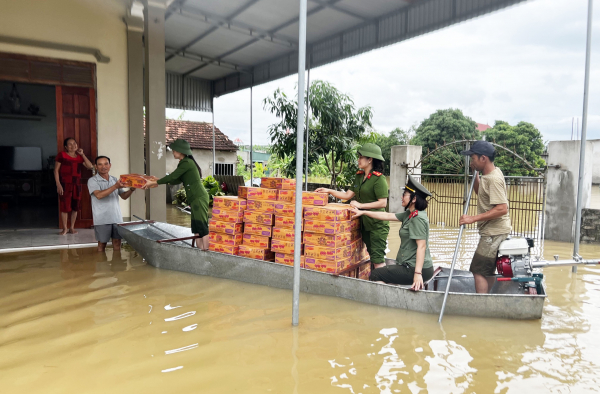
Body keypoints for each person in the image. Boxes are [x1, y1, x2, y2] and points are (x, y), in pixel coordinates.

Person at [351, 175, 434, 290]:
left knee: (376, 274)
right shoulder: (409, 214)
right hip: (411, 265)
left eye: (404, 194)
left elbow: (422, 246)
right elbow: (387, 215)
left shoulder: (417, 218)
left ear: (414, 199)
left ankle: (390, 298)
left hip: (417, 269)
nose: (401, 197)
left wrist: (418, 274)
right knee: (384, 273)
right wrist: (363, 212)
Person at [316, 143, 389, 268]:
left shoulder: (379, 179)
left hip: (377, 225)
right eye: (359, 157)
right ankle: (376, 281)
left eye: (361, 157)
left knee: (378, 259)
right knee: (372, 255)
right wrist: (328, 191)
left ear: (370, 159)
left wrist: (360, 204)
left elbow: (383, 202)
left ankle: (381, 284)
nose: (358, 160)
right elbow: (347, 195)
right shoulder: (359, 176)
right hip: (364, 223)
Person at [459, 140, 511, 294]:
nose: (472, 162)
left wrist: (472, 218)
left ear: (483, 158)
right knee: (487, 270)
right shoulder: (489, 176)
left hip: (493, 233)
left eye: (473, 158)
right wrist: (475, 176)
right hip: (494, 231)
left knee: (478, 270)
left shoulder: (493, 179)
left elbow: (502, 209)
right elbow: (480, 193)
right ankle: (486, 298)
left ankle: (480, 303)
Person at [143, 139, 210, 250]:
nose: (173, 152)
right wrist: (158, 180)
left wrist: (154, 182)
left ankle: (206, 251)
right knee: (196, 226)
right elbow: (176, 180)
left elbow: (172, 176)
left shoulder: (187, 163)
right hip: (195, 198)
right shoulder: (184, 163)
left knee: (202, 225)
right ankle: (200, 250)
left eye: (174, 150)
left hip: (199, 197)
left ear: (180, 151)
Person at [88, 156, 135, 252]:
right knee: (102, 244)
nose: (103, 166)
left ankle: (116, 265)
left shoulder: (114, 179)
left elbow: (124, 196)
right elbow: (99, 195)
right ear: (96, 166)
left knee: (117, 243)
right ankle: (101, 264)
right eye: (100, 164)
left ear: (110, 166)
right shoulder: (92, 180)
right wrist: (115, 186)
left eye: (106, 164)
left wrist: (132, 189)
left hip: (116, 218)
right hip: (102, 219)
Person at [54, 137, 93, 235]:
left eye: (74, 143)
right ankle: (65, 228)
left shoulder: (79, 157)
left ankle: (72, 227)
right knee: (65, 206)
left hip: (77, 184)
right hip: (65, 184)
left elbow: (90, 166)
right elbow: (56, 170)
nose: (73, 145)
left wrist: (82, 154)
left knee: (76, 206)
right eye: (70, 144)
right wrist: (58, 184)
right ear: (66, 147)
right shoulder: (62, 155)